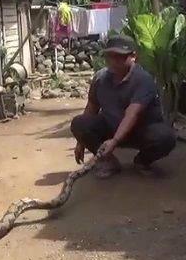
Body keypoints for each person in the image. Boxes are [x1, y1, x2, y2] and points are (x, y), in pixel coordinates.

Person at [70, 35, 177, 178]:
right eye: (110, 56)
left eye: (119, 56)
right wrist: (81, 142)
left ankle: (142, 160)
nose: (114, 61)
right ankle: (108, 161)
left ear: (133, 57)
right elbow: (92, 107)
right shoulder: (100, 79)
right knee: (79, 123)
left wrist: (115, 141)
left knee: (166, 137)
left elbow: (132, 113)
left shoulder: (143, 80)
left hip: (141, 131)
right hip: (111, 127)